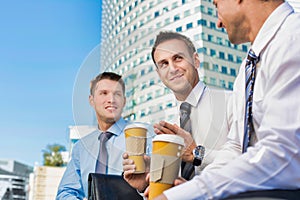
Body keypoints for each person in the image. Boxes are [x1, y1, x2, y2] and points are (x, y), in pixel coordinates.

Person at [153, 0, 300, 199]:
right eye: (163, 63)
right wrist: (186, 190)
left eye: (216, 4)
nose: (218, 23)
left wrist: (189, 191)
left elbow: (283, 155)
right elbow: (236, 150)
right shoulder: (246, 72)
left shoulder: (293, 38)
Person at [123, 31, 232, 192]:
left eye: (178, 58)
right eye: (164, 64)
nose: (172, 69)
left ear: (195, 60)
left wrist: (197, 153)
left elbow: (254, 160)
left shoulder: (231, 102)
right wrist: (148, 181)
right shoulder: (167, 127)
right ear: (159, 73)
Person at [56, 72, 152, 199]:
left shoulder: (146, 135)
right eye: (104, 93)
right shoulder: (81, 147)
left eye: (117, 94)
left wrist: (145, 186)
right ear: (91, 100)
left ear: (124, 101)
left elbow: (164, 190)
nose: (111, 100)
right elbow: (65, 193)